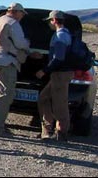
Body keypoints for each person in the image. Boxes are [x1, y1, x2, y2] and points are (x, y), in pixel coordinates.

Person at [0, 2, 36, 137]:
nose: (22, 16)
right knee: (4, 96)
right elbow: (20, 43)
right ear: (17, 12)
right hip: (6, 61)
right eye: (22, 14)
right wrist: (28, 46)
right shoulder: (13, 24)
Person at [35, 10, 72, 141]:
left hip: (60, 74)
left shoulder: (60, 36)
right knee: (44, 98)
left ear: (54, 20)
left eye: (50, 21)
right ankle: (47, 130)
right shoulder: (64, 34)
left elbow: (58, 58)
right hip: (60, 73)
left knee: (59, 103)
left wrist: (45, 70)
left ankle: (61, 134)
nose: (49, 23)